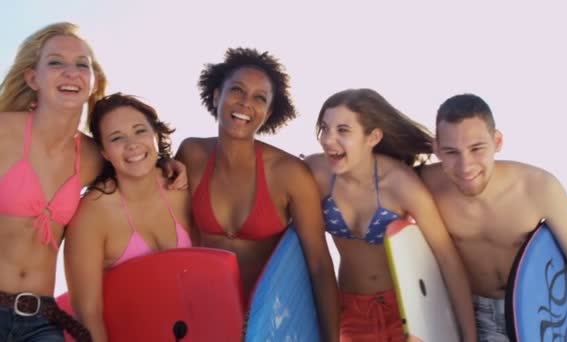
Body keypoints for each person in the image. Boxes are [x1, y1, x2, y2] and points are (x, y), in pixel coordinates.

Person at [0, 22, 185, 341]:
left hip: (41, 321)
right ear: (33, 78)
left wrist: (165, 162)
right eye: (56, 62)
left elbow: (132, 160)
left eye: (81, 65)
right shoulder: (4, 133)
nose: (70, 73)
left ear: (92, 80)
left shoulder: (91, 156)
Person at [176, 47, 340, 341]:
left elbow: (319, 265)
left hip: (268, 325)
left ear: (269, 112)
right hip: (201, 317)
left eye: (259, 98)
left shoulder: (289, 173)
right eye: (237, 90)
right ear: (217, 96)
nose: (245, 103)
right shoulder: (191, 154)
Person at [420, 93, 567, 341]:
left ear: (497, 141)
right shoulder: (423, 185)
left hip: (542, 313)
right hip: (475, 314)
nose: (465, 166)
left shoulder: (538, 187)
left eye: (477, 149)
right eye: (451, 152)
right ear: (436, 149)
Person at [305, 88, 477, 342]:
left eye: (343, 130)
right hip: (348, 310)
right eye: (325, 128)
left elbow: (448, 260)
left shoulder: (400, 184)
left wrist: (469, 337)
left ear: (373, 137)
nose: (328, 140)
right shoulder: (316, 172)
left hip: (407, 309)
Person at [64, 93, 196, 342]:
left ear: (155, 135)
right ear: (103, 152)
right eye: (117, 138)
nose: (132, 144)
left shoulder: (182, 188)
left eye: (139, 131)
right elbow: (87, 314)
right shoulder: (93, 214)